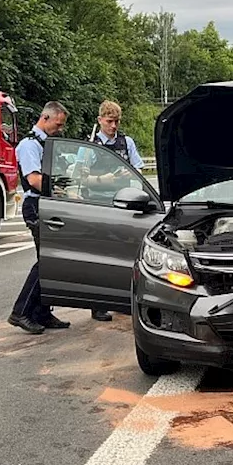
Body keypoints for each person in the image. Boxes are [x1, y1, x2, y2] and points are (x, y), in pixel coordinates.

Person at [8, 101, 71, 334]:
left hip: (46, 203)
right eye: (58, 124)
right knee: (46, 261)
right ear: (45, 119)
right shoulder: (29, 145)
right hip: (35, 204)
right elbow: (34, 179)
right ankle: (21, 311)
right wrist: (62, 187)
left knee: (49, 261)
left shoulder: (46, 144)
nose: (60, 128)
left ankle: (42, 313)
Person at [85, 100, 144, 321]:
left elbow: (137, 167)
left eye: (117, 121)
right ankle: (98, 304)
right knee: (100, 257)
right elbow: (81, 178)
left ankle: (120, 300)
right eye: (110, 121)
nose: (114, 126)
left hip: (123, 204)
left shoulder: (126, 142)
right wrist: (103, 179)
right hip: (99, 204)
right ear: (100, 120)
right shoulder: (90, 145)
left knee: (124, 255)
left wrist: (128, 175)